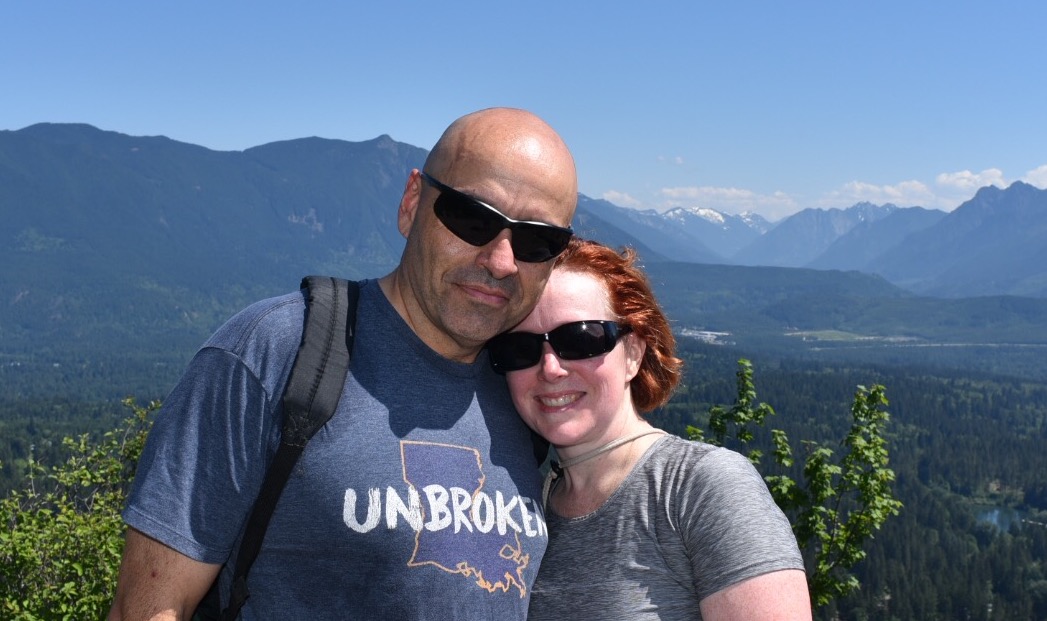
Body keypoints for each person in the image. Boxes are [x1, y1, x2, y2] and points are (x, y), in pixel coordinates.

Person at [108, 107, 578, 620]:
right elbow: (151, 608)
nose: (501, 260)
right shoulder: (277, 351)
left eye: (536, 240)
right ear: (411, 203)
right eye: (473, 218)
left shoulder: (530, 388)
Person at [486, 238, 813, 620]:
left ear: (634, 354)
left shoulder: (701, 488)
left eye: (581, 338)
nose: (551, 368)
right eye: (520, 348)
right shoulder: (521, 510)